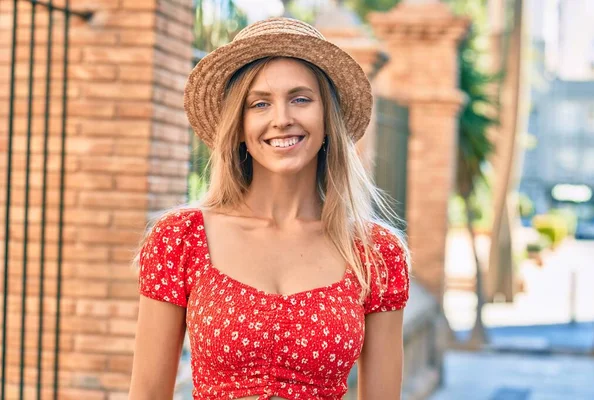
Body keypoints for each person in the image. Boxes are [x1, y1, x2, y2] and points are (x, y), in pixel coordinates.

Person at [129, 17, 410, 400]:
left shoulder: (375, 253)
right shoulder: (181, 238)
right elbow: (147, 393)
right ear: (240, 126)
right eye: (260, 103)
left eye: (300, 99)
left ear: (327, 119)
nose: (282, 119)